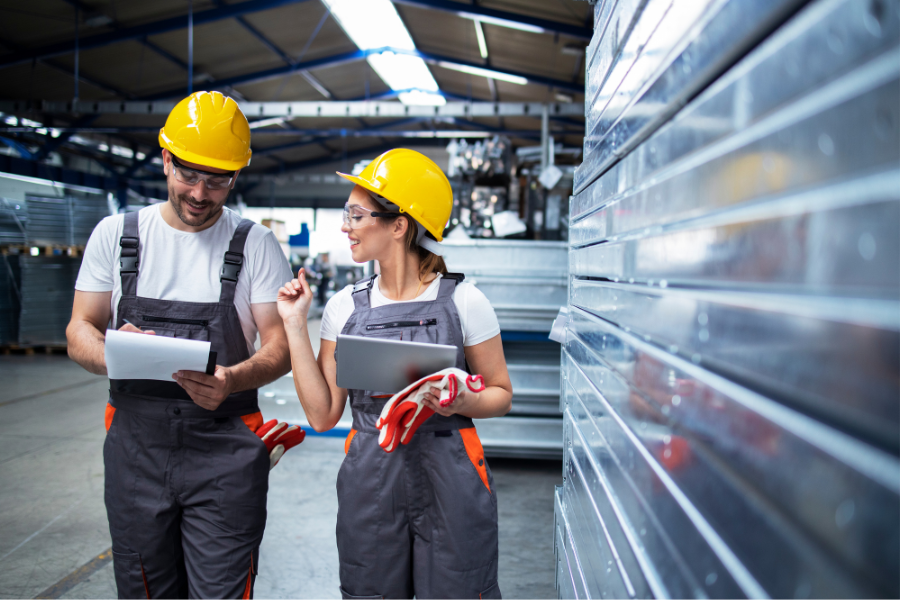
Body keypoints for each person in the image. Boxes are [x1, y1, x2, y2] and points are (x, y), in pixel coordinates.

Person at [66, 91, 294, 599]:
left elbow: (278, 345)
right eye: (189, 175)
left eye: (218, 181)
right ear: (166, 159)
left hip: (225, 453)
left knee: (221, 591)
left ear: (236, 177)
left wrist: (232, 379)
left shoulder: (253, 244)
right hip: (136, 451)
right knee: (145, 587)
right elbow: (79, 327)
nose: (200, 193)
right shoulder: (118, 235)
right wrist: (112, 353)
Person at [277, 148, 512, 599]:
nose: (346, 225)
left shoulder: (465, 301)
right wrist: (293, 323)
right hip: (371, 477)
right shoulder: (344, 306)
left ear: (398, 225)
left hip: (452, 473)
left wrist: (465, 401)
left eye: (356, 214)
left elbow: (501, 393)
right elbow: (324, 415)